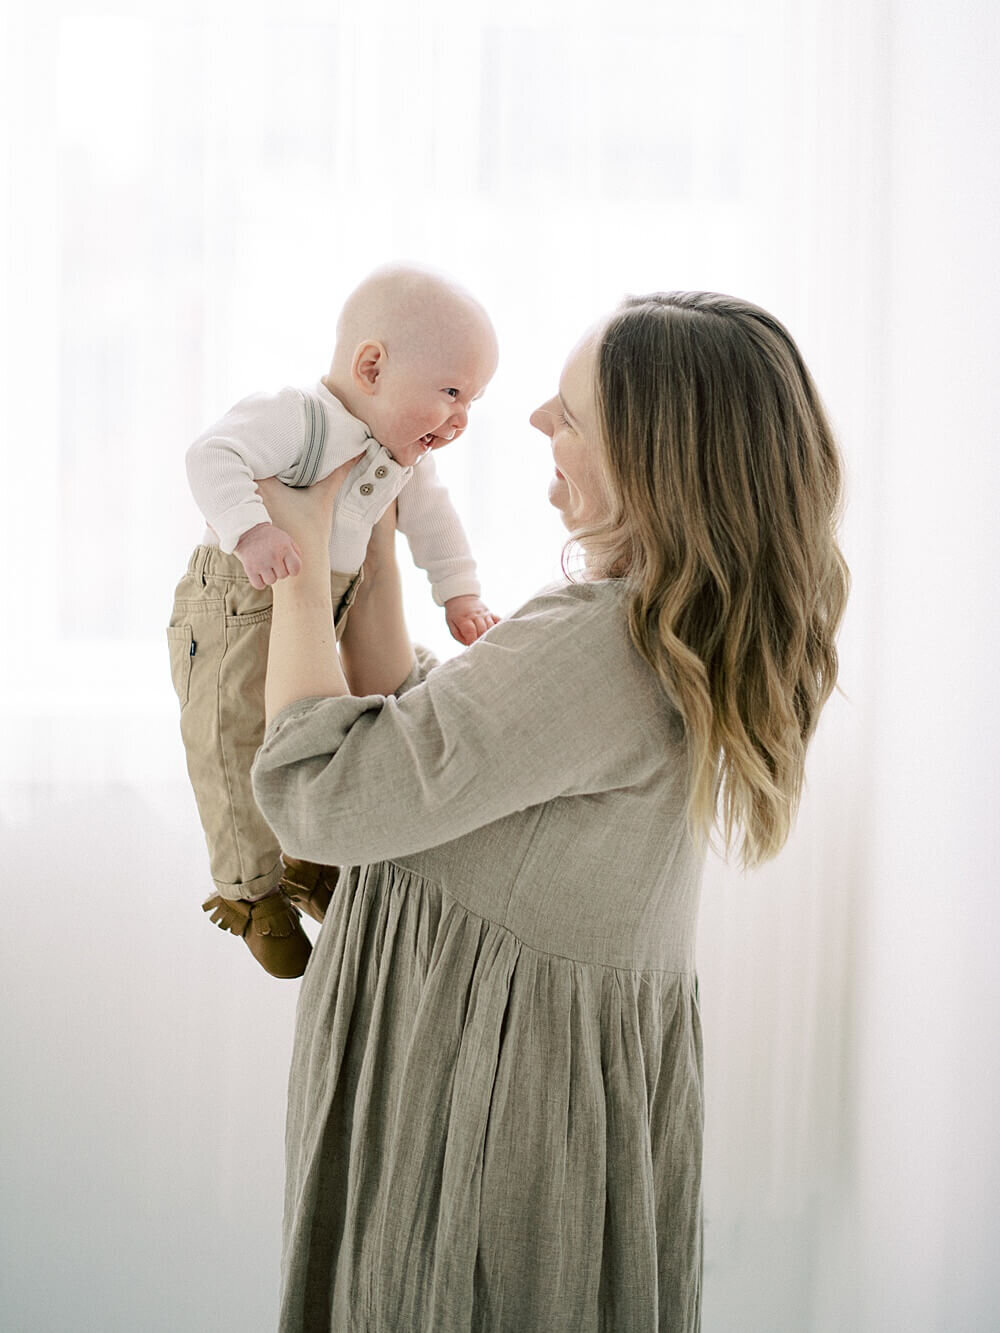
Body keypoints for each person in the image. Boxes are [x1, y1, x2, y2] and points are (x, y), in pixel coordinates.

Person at [249, 291, 851, 1331]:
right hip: (527, 1091)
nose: (534, 422)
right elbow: (445, 739)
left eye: (569, 415)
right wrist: (381, 543)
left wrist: (301, 564)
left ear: (651, 463)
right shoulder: (669, 636)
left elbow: (326, 796)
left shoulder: (599, 645)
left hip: (477, 1110)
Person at [166, 264, 500, 978]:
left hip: (324, 597)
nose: (461, 417)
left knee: (314, 734)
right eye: (450, 392)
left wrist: (459, 594)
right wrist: (251, 529)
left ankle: (307, 859)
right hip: (235, 596)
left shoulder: (405, 456)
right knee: (232, 737)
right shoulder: (300, 416)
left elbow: (435, 525)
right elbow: (211, 454)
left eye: (473, 401)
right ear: (372, 366)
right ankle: (250, 890)